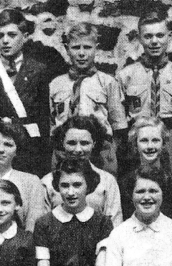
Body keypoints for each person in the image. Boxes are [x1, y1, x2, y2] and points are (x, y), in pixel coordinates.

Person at [0, 8, 54, 176]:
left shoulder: (38, 70)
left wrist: (40, 157)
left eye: (12, 35)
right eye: (0, 35)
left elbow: (43, 119)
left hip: (28, 153)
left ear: (24, 36)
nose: (5, 41)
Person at [116, 11, 172, 176]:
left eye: (160, 35)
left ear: (169, 37)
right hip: (140, 141)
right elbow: (120, 121)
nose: (154, 41)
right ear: (139, 38)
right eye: (148, 36)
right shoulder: (125, 76)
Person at [49, 22, 126, 176]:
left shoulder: (107, 82)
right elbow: (52, 125)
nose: (82, 53)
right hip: (64, 152)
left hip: (99, 153)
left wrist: (108, 153)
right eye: (76, 47)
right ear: (67, 49)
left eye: (87, 47)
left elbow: (119, 126)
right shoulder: (56, 84)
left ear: (96, 48)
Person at [41, 116, 122, 226]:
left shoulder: (107, 181)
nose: (78, 150)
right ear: (62, 143)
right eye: (71, 143)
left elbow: (115, 224)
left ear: (93, 144)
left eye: (84, 143)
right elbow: (42, 225)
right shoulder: (47, 182)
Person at [0, 120, 48, 231]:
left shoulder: (32, 182)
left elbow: (34, 227)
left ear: (16, 150)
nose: (1, 150)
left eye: (8, 144)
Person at [120, 116, 172, 224]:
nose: (150, 146)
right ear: (135, 144)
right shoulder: (126, 184)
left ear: (163, 143)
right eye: (144, 141)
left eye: (155, 140)